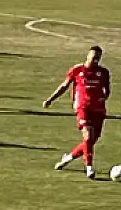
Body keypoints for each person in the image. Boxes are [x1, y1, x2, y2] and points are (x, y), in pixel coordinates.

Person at [44, 45, 111, 180]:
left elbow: (107, 89)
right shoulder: (77, 70)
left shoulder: (103, 72)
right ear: (88, 56)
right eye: (94, 57)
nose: (96, 60)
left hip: (98, 109)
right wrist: (50, 99)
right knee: (87, 136)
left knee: (91, 141)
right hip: (83, 107)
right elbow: (64, 86)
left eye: (98, 58)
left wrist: (103, 97)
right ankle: (89, 168)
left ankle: (68, 158)